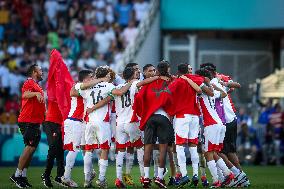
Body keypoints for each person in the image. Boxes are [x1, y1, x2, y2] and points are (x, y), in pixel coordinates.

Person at [133, 61, 175, 188]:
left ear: (157, 70)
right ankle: (160, 177)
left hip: (150, 118)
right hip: (164, 117)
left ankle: (146, 178)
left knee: (148, 148)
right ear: (168, 69)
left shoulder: (148, 83)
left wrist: (144, 112)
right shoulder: (171, 82)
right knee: (163, 149)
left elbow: (138, 98)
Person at [10, 64, 45, 188]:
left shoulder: (36, 85)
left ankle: (23, 176)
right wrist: (36, 94)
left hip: (35, 121)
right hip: (28, 120)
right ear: (34, 72)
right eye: (40, 70)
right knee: (29, 147)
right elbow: (24, 95)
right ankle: (17, 175)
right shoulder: (29, 82)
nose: (42, 72)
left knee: (32, 149)